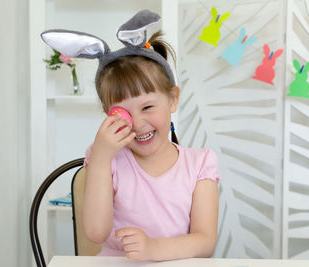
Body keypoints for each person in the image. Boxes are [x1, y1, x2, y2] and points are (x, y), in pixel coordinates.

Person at [41, 10, 220, 261]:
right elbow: (95, 232)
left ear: (172, 100)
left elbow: (205, 242)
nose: (137, 124)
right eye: (122, 112)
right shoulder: (107, 160)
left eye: (147, 107)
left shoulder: (200, 163)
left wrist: (153, 249)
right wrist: (102, 157)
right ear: (107, 113)